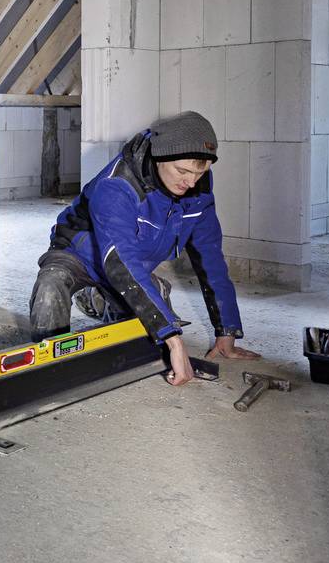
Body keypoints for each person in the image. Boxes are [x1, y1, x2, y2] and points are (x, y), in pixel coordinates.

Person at [28, 111, 260, 386]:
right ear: (160, 157)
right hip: (79, 254)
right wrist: (173, 341)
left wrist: (226, 331)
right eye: (183, 171)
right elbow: (120, 260)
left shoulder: (197, 191)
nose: (190, 182)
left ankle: (99, 298)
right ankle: (49, 370)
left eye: (201, 172)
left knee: (150, 320)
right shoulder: (117, 185)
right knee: (51, 285)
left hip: (131, 262)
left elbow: (210, 258)